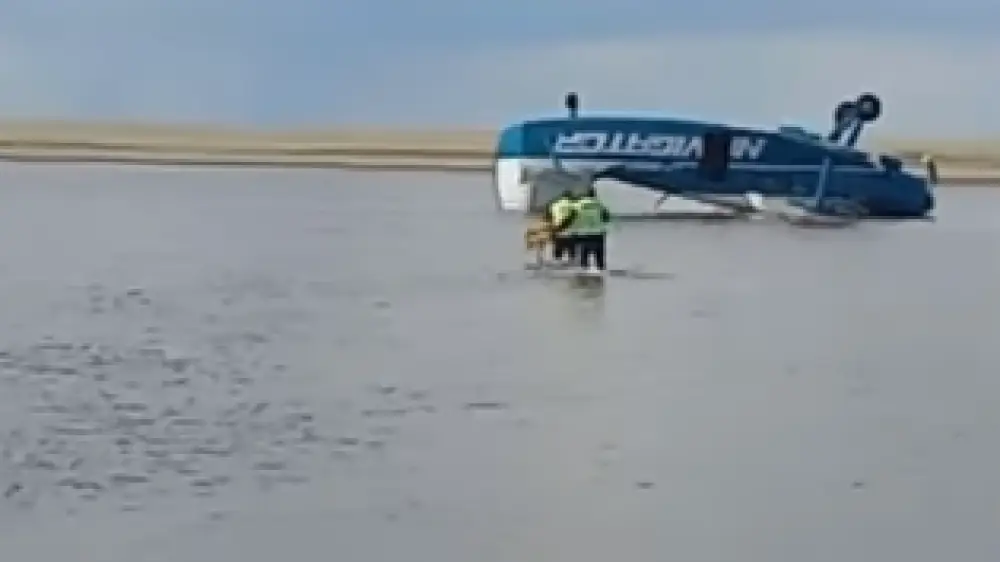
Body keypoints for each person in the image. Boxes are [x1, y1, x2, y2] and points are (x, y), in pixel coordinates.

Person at [556, 187, 611, 271]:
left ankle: (584, 272)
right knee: (600, 261)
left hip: (583, 234)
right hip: (598, 234)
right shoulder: (600, 205)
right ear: (594, 195)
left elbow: (571, 218)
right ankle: (601, 273)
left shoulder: (578, 205)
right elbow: (607, 218)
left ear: (585, 196)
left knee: (584, 260)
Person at [543, 190, 579, 263]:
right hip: (570, 232)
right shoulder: (574, 205)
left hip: (557, 230)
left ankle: (557, 258)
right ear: (570, 197)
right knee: (572, 254)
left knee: (557, 252)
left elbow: (547, 217)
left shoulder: (555, 205)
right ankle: (571, 260)